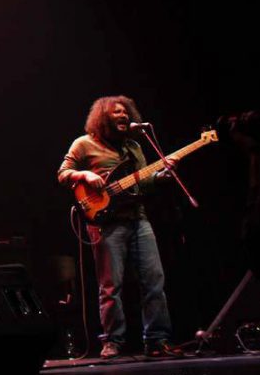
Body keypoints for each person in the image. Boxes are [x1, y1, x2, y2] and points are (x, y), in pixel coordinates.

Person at [57, 95, 181, 359]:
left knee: (154, 281)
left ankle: (157, 340)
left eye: (126, 112)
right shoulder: (84, 144)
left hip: (138, 218)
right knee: (111, 287)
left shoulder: (134, 146)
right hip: (105, 222)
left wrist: (160, 175)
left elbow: (143, 184)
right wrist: (85, 174)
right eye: (116, 112)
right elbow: (63, 173)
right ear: (103, 117)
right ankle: (112, 340)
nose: (123, 116)